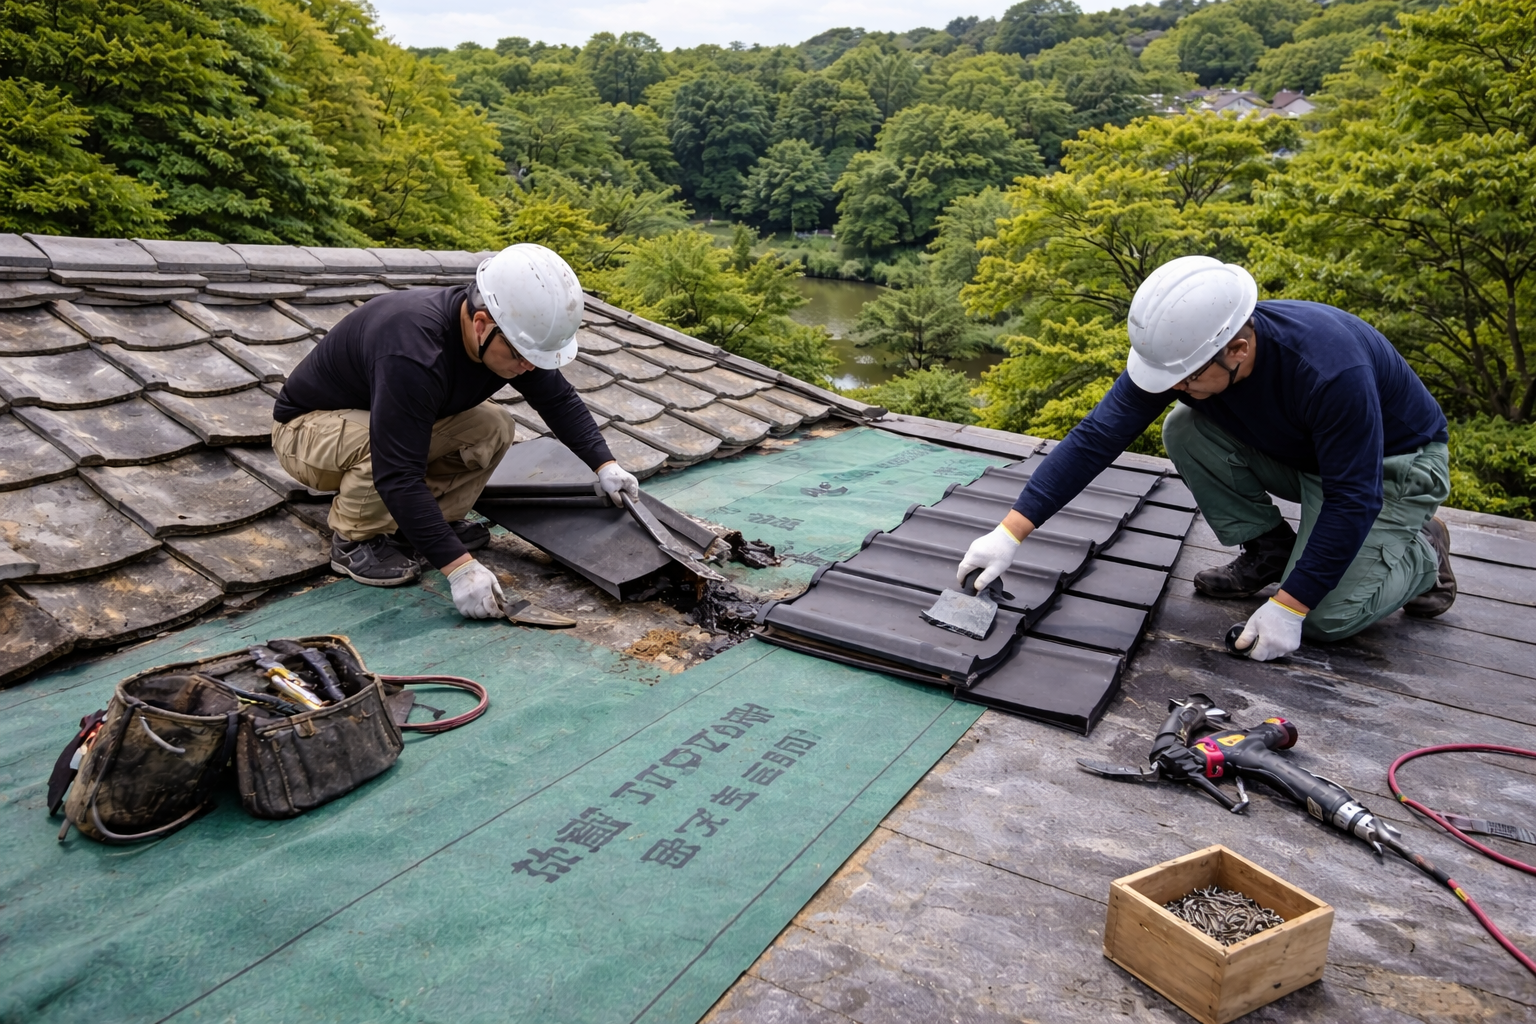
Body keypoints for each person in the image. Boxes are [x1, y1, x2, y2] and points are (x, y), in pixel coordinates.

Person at [957, 255, 1456, 662]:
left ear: (1237, 349)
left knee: (1324, 619)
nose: (1174, 386)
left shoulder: (1329, 369)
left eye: (1186, 378)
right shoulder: (1188, 349)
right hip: (1309, 457)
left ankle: (1424, 551)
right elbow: (1097, 436)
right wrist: (1009, 533)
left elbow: (1353, 498)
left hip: (1392, 469)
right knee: (1185, 426)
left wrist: (1290, 606)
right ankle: (1271, 550)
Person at [271, 243, 641, 621]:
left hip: (379, 417)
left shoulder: (508, 336)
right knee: (381, 446)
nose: (529, 367)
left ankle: (417, 527)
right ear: (481, 324)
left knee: (494, 425)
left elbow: (558, 400)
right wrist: (459, 568)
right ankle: (355, 539)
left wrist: (605, 465)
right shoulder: (414, 348)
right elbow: (397, 472)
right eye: (521, 356)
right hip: (306, 433)